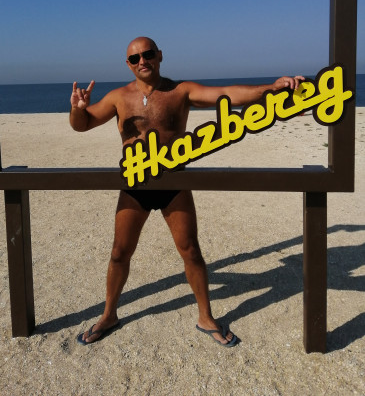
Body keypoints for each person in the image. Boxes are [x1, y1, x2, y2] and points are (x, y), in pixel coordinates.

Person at [70, 36, 304, 347]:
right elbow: (82, 124)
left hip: (173, 183)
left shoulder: (180, 91)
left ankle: (205, 316)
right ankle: (109, 314)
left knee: (191, 251)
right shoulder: (118, 97)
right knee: (119, 253)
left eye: (148, 54)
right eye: (135, 58)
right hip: (135, 184)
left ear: (159, 55)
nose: (142, 61)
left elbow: (227, 95)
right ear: (128, 64)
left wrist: (271, 88)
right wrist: (78, 109)